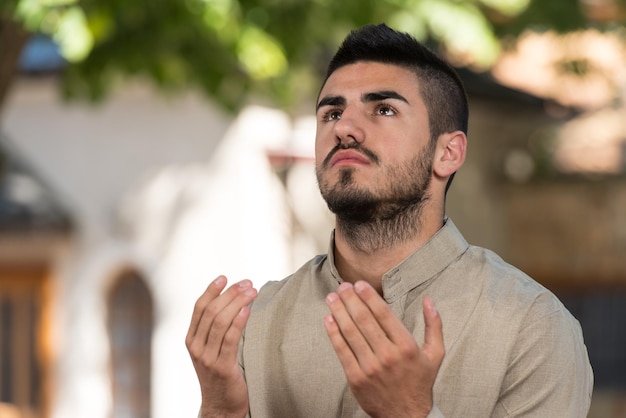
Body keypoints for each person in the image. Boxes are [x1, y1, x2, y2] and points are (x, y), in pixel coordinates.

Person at [186, 23, 593, 418]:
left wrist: (411, 413)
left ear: (448, 153)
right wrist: (220, 412)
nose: (345, 128)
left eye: (383, 109)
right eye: (330, 114)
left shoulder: (532, 327)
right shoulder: (254, 324)